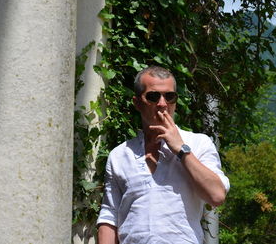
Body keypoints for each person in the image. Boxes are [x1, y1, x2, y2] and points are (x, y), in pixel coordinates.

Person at [96, 66, 230, 244]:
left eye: (169, 96)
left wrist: (181, 149)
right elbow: (110, 215)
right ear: (137, 103)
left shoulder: (199, 143)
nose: (162, 103)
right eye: (153, 96)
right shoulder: (120, 155)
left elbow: (217, 195)